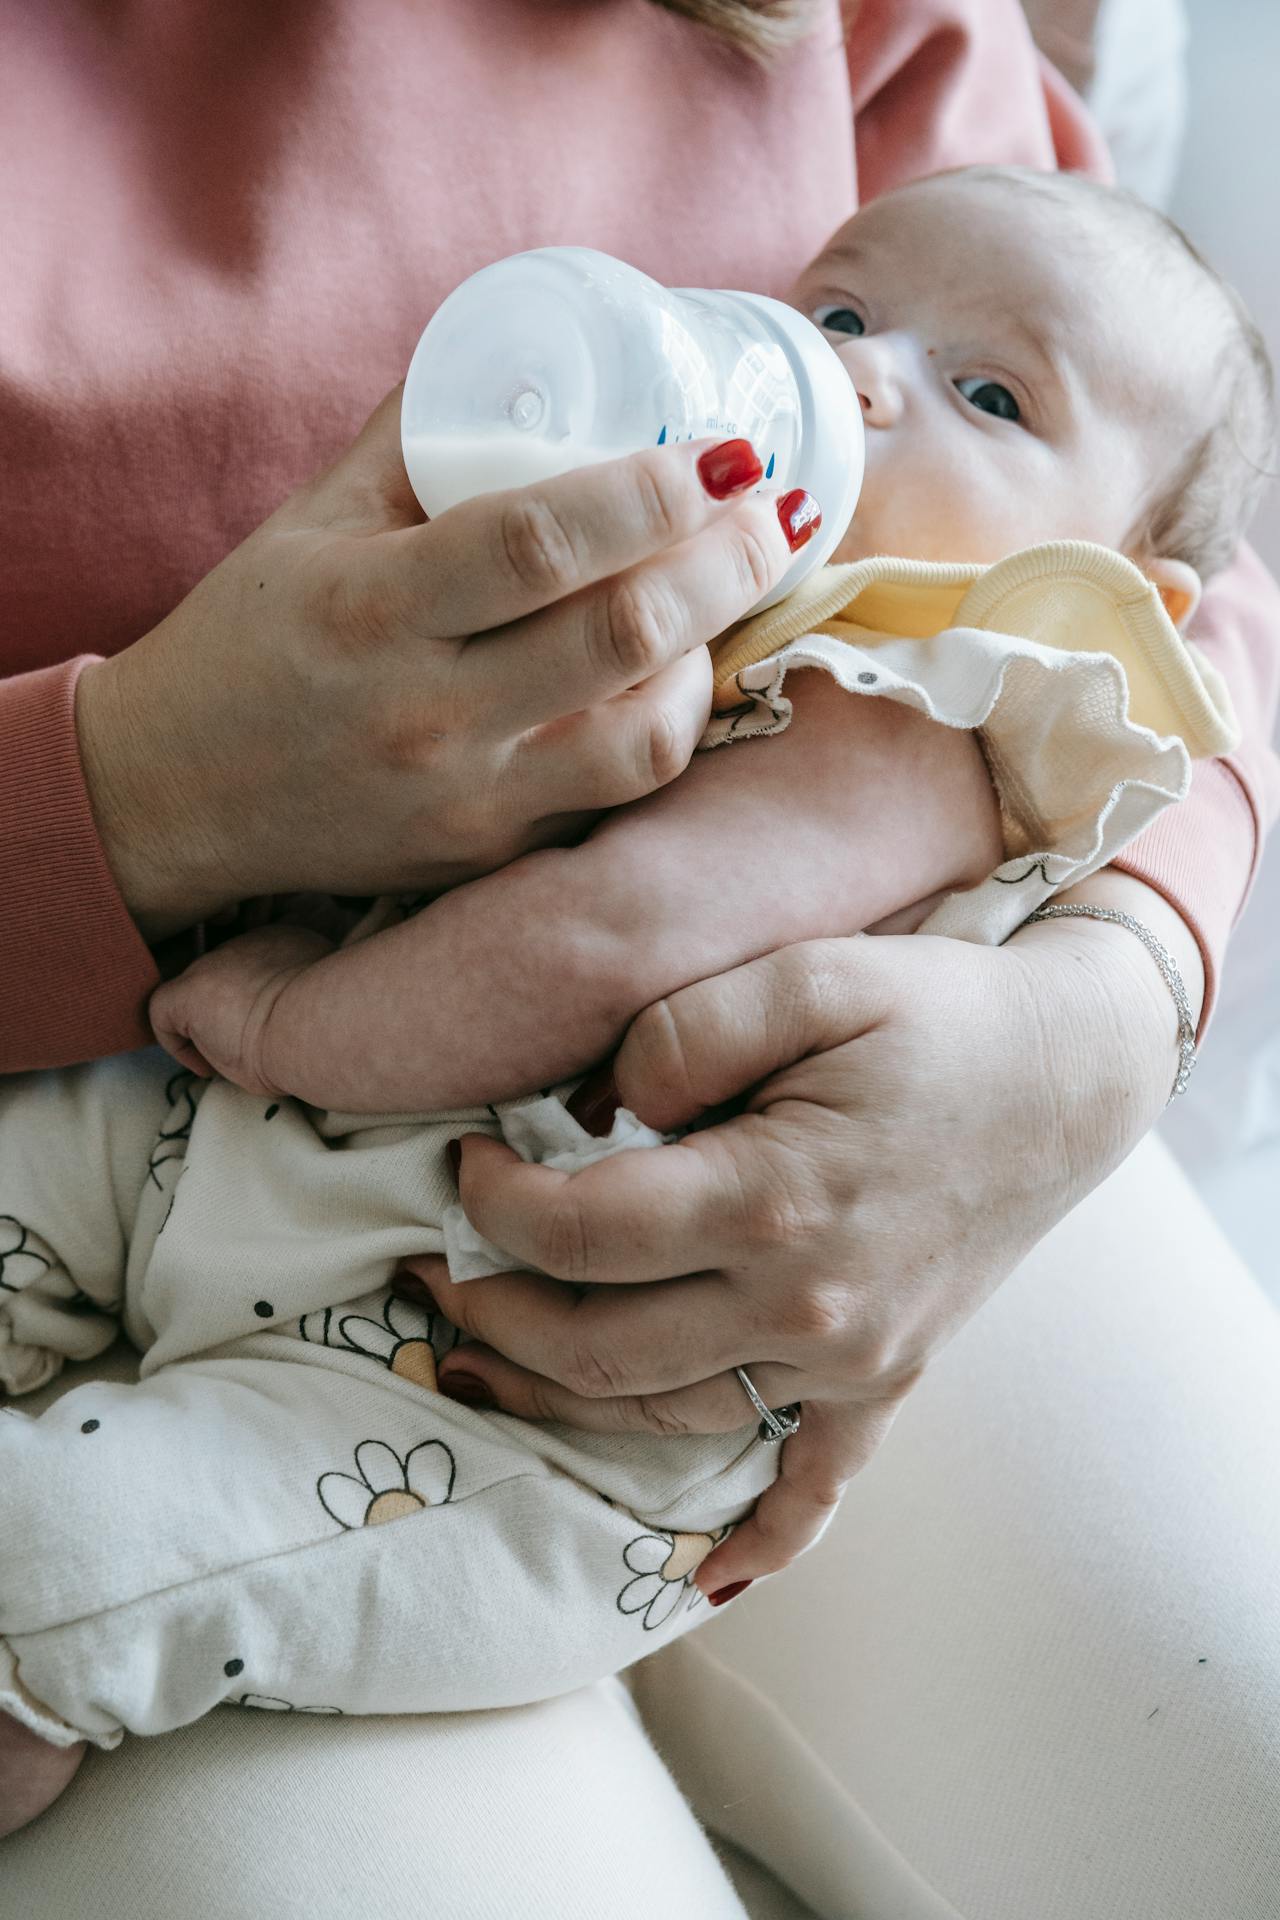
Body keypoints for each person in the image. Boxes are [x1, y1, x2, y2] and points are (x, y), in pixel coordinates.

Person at [2, 1, 1278, 1912]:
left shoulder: (903, 683)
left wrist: (1109, 1006)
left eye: (980, 399)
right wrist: (129, 798)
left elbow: (1192, 538)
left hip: (545, 1327)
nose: (857, 391)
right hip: (164, 1074)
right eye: (838, 322)